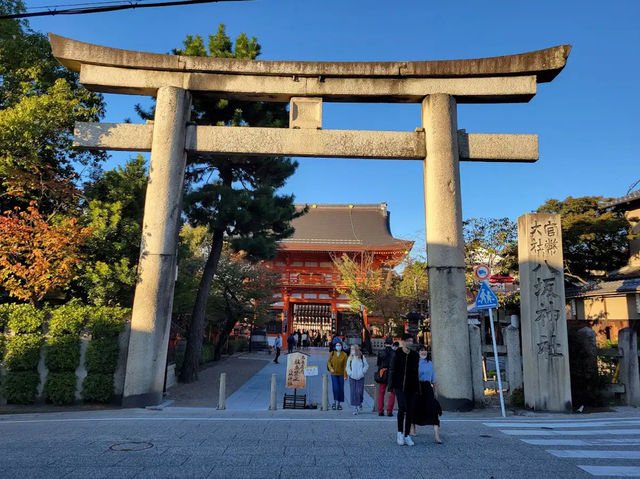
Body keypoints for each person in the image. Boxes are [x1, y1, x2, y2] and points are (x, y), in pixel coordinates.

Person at [388, 333, 419, 446]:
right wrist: (390, 387)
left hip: (412, 386)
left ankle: (407, 434)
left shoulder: (415, 355)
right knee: (402, 407)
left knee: (410, 410)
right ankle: (400, 432)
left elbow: (416, 372)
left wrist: (417, 388)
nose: (410, 343)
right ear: (404, 342)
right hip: (399, 385)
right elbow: (392, 370)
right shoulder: (397, 354)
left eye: (412, 340)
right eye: (408, 341)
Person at [413, 346, 442, 443]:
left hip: (428, 387)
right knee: (415, 408)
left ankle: (436, 435)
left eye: (425, 350)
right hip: (417, 387)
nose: (423, 352)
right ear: (418, 352)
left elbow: (433, 378)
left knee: (433, 409)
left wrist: (435, 391)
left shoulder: (430, 363)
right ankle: (413, 429)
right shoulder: (415, 363)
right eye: (421, 350)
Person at [375, 337, 396, 417]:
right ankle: (389, 411)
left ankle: (380, 410)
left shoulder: (381, 352)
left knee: (381, 392)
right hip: (392, 373)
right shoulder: (394, 353)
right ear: (392, 343)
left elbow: (378, 363)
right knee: (392, 392)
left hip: (383, 372)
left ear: (385, 343)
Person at [346, 345, 369, 415]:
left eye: (353, 349)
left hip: (360, 377)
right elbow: (347, 367)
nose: (352, 350)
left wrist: (362, 372)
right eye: (351, 349)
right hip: (352, 377)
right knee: (353, 392)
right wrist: (350, 373)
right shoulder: (350, 358)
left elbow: (366, 365)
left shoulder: (362, 357)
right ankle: (355, 407)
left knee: (359, 392)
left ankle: (360, 402)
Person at [327, 341, 348, 410]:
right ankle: (334, 402)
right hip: (334, 373)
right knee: (335, 388)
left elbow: (346, 365)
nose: (338, 347)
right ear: (335, 346)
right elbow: (329, 362)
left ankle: (339, 403)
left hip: (341, 374)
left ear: (341, 346)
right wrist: (330, 369)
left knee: (341, 389)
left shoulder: (344, 355)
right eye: (337, 345)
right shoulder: (332, 353)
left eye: (339, 345)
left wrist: (345, 375)